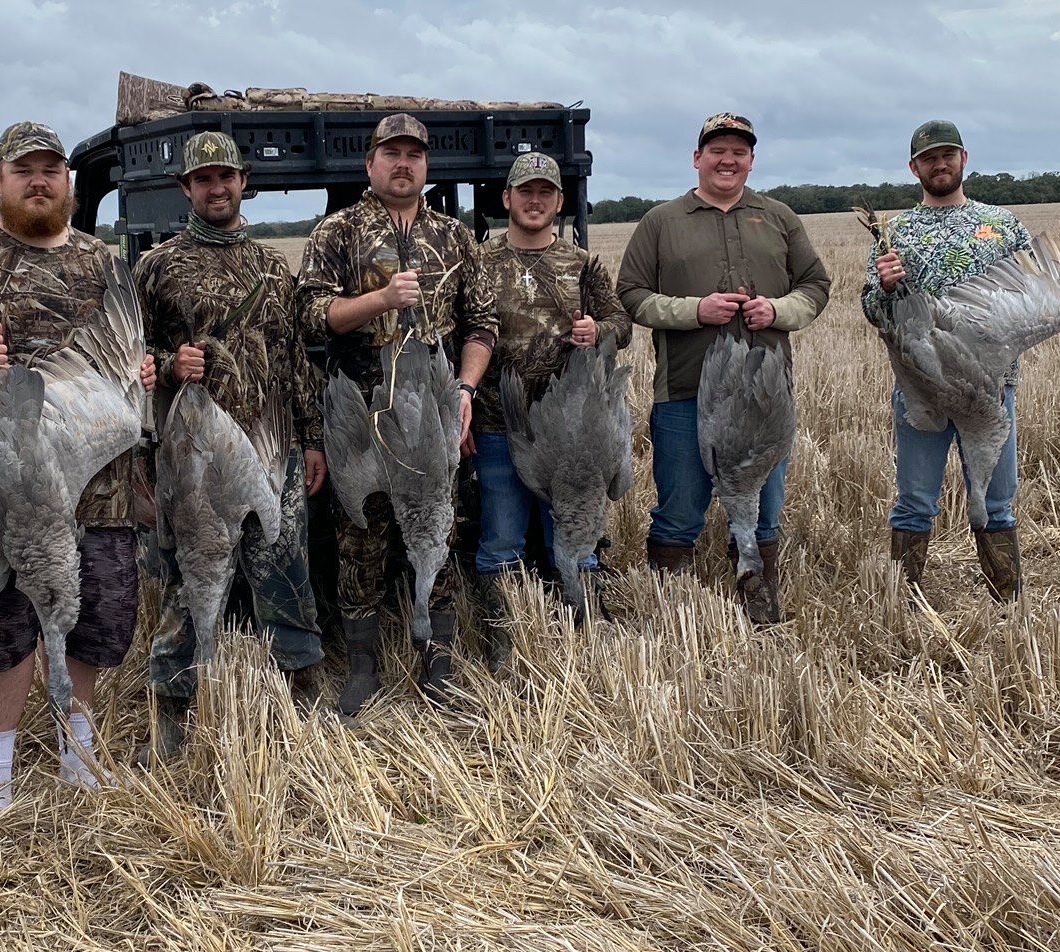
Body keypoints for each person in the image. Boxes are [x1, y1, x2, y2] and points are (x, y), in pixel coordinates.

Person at [0, 121, 154, 810]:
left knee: (96, 617)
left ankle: (77, 753)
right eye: (25, 169)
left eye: (52, 168)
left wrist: (141, 374)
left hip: (96, 489)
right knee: (3, 627)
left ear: (68, 182)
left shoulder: (102, 265)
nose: (40, 180)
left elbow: (122, 360)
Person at [861, 119, 1060, 599]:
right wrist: (884, 287)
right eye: (929, 158)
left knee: (997, 502)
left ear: (964, 159)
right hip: (923, 387)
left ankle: (1006, 603)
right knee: (914, 502)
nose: (939, 164)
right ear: (914, 167)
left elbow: (1043, 284)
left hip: (992, 389)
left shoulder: (1001, 225)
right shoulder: (897, 230)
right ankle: (901, 604)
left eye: (948, 155)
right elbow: (870, 307)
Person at [132, 130, 326, 762]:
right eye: (203, 179)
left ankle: (302, 693)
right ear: (186, 188)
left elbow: (295, 359)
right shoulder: (156, 268)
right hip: (193, 452)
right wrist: (167, 361)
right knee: (189, 579)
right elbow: (127, 362)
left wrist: (312, 439)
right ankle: (176, 712)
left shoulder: (272, 267)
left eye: (227, 176)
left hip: (271, 446)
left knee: (283, 567)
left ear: (244, 182)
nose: (217, 188)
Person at [296, 113, 497, 711]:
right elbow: (309, 316)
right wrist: (380, 300)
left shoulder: (455, 238)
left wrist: (463, 391)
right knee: (360, 534)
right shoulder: (337, 233)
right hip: (361, 415)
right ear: (370, 164)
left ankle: (436, 657)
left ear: (426, 165)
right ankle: (363, 663)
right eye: (392, 153)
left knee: (438, 528)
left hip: (434, 417)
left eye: (414, 153)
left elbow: (481, 326)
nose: (403, 163)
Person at [617, 113, 830, 617]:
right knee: (679, 508)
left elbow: (816, 286)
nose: (727, 159)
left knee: (764, 505)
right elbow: (631, 295)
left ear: (751, 161)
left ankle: (759, 597)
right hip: (684, 391)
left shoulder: (779, 217)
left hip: (765, 394)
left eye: (739, 151)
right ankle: (673, 612)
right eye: (717, 150)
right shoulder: (661, 222)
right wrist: (696, 310)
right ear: (697, 159)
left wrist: (778, 310)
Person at [472, 151, 631, 663]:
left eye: (545, 192)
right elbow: (463, 334)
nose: (534, 200)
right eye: (525, 192)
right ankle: (506, 638)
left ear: (560, 201)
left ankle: (583, 628)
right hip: (500, 422)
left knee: (575, 535)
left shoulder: (582, 265)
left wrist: (598, 330)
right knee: (501, 538)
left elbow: (621, 325)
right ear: (507, 200)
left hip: (571, 430)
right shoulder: (480, 263)